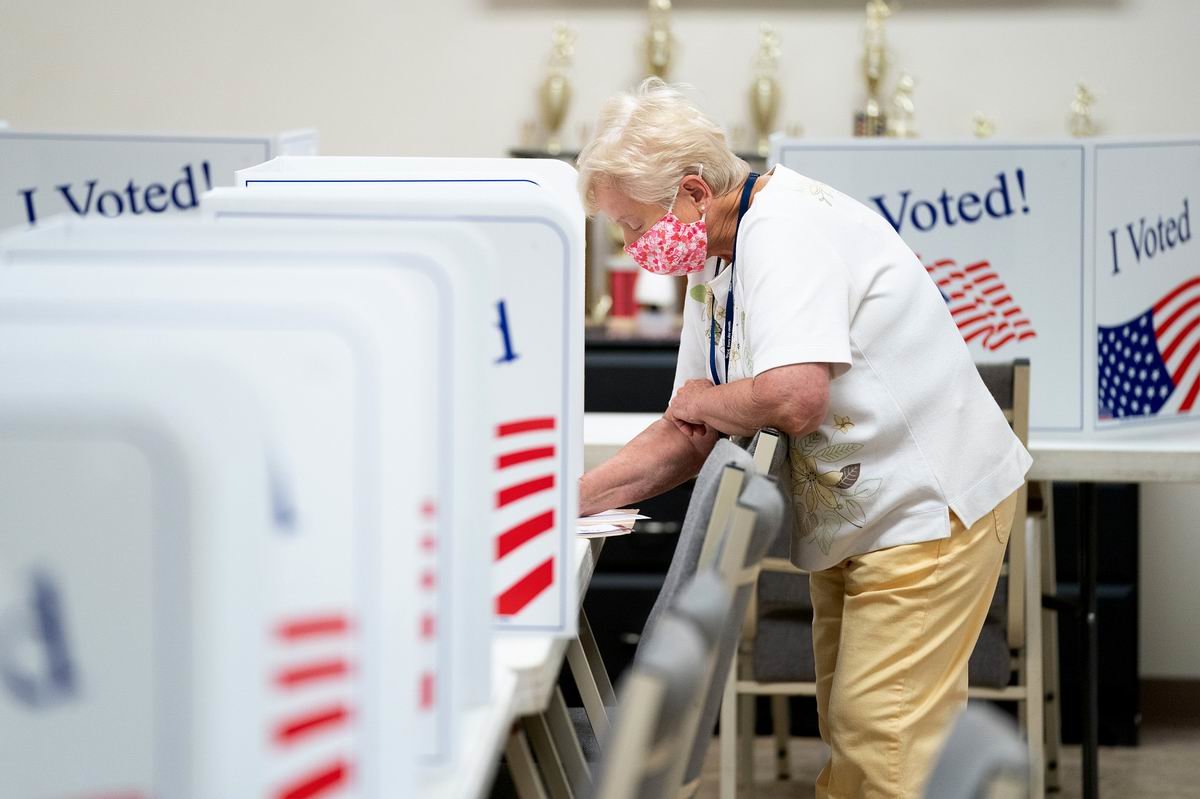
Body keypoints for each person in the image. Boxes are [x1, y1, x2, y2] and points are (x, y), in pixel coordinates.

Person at [575, 79, 1032, 798]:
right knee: (852, 734)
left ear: (692, 194)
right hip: (860, 517)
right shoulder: (713, 262)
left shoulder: (782, 228)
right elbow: (687, 431)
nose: (632, 249)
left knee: (885, 746)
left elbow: (794, 396)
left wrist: (710, 400)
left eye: (633, 226)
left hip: (926, 507)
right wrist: (564, 502)